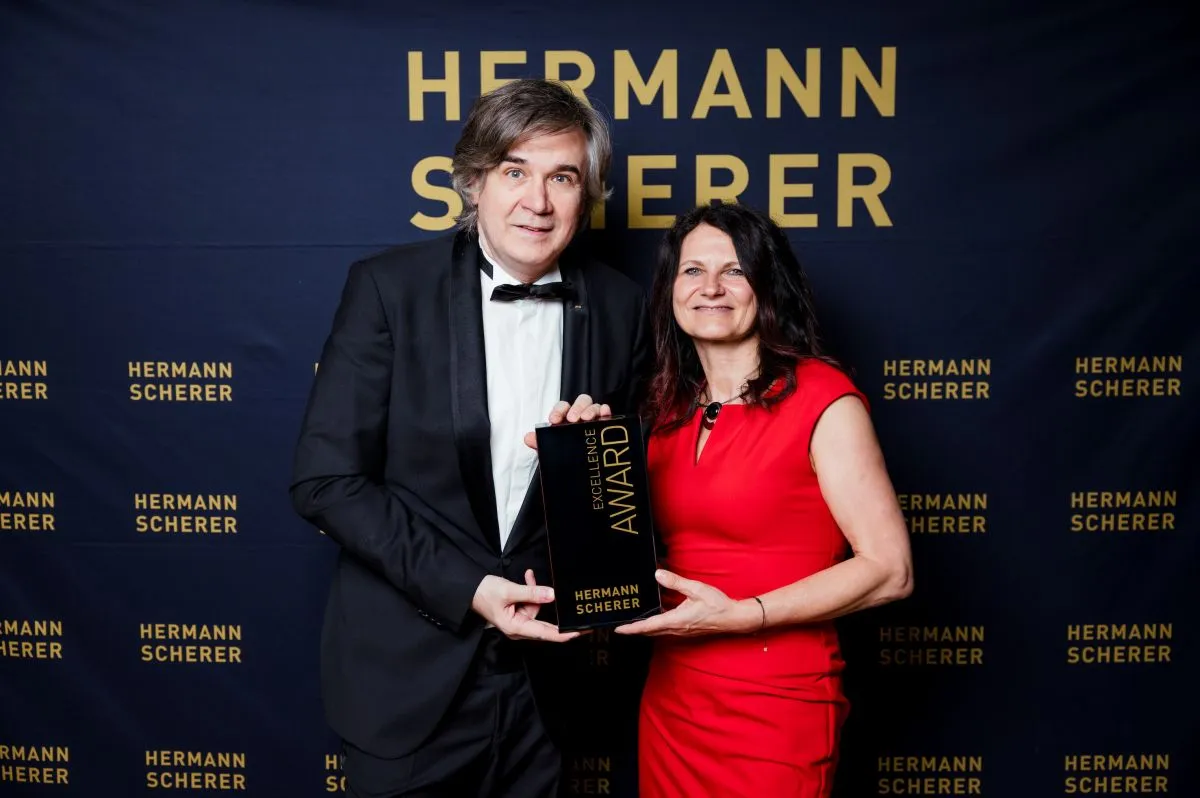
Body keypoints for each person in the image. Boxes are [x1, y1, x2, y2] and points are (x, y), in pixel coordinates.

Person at [289, 78, 650, 798]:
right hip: (407, 683)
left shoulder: (623, 306)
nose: (538, 201)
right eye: (515, 172)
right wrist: (470, 589)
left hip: (547, 692)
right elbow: (326, 481)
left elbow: (624, 509)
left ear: (587, 194)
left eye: (562, 177)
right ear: (474, 182)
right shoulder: (389, 288)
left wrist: (591, 472)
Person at [615, 202, 913, 798]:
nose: (711, 288)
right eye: (693, 271)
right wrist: (576, 458)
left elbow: (890, 570)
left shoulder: (824, 399)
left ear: (767, 285)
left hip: (776, 700)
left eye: (734, 270)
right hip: (674, 697)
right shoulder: (667, 410)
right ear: (671, 291)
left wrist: (742, 614)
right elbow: (632, 550)